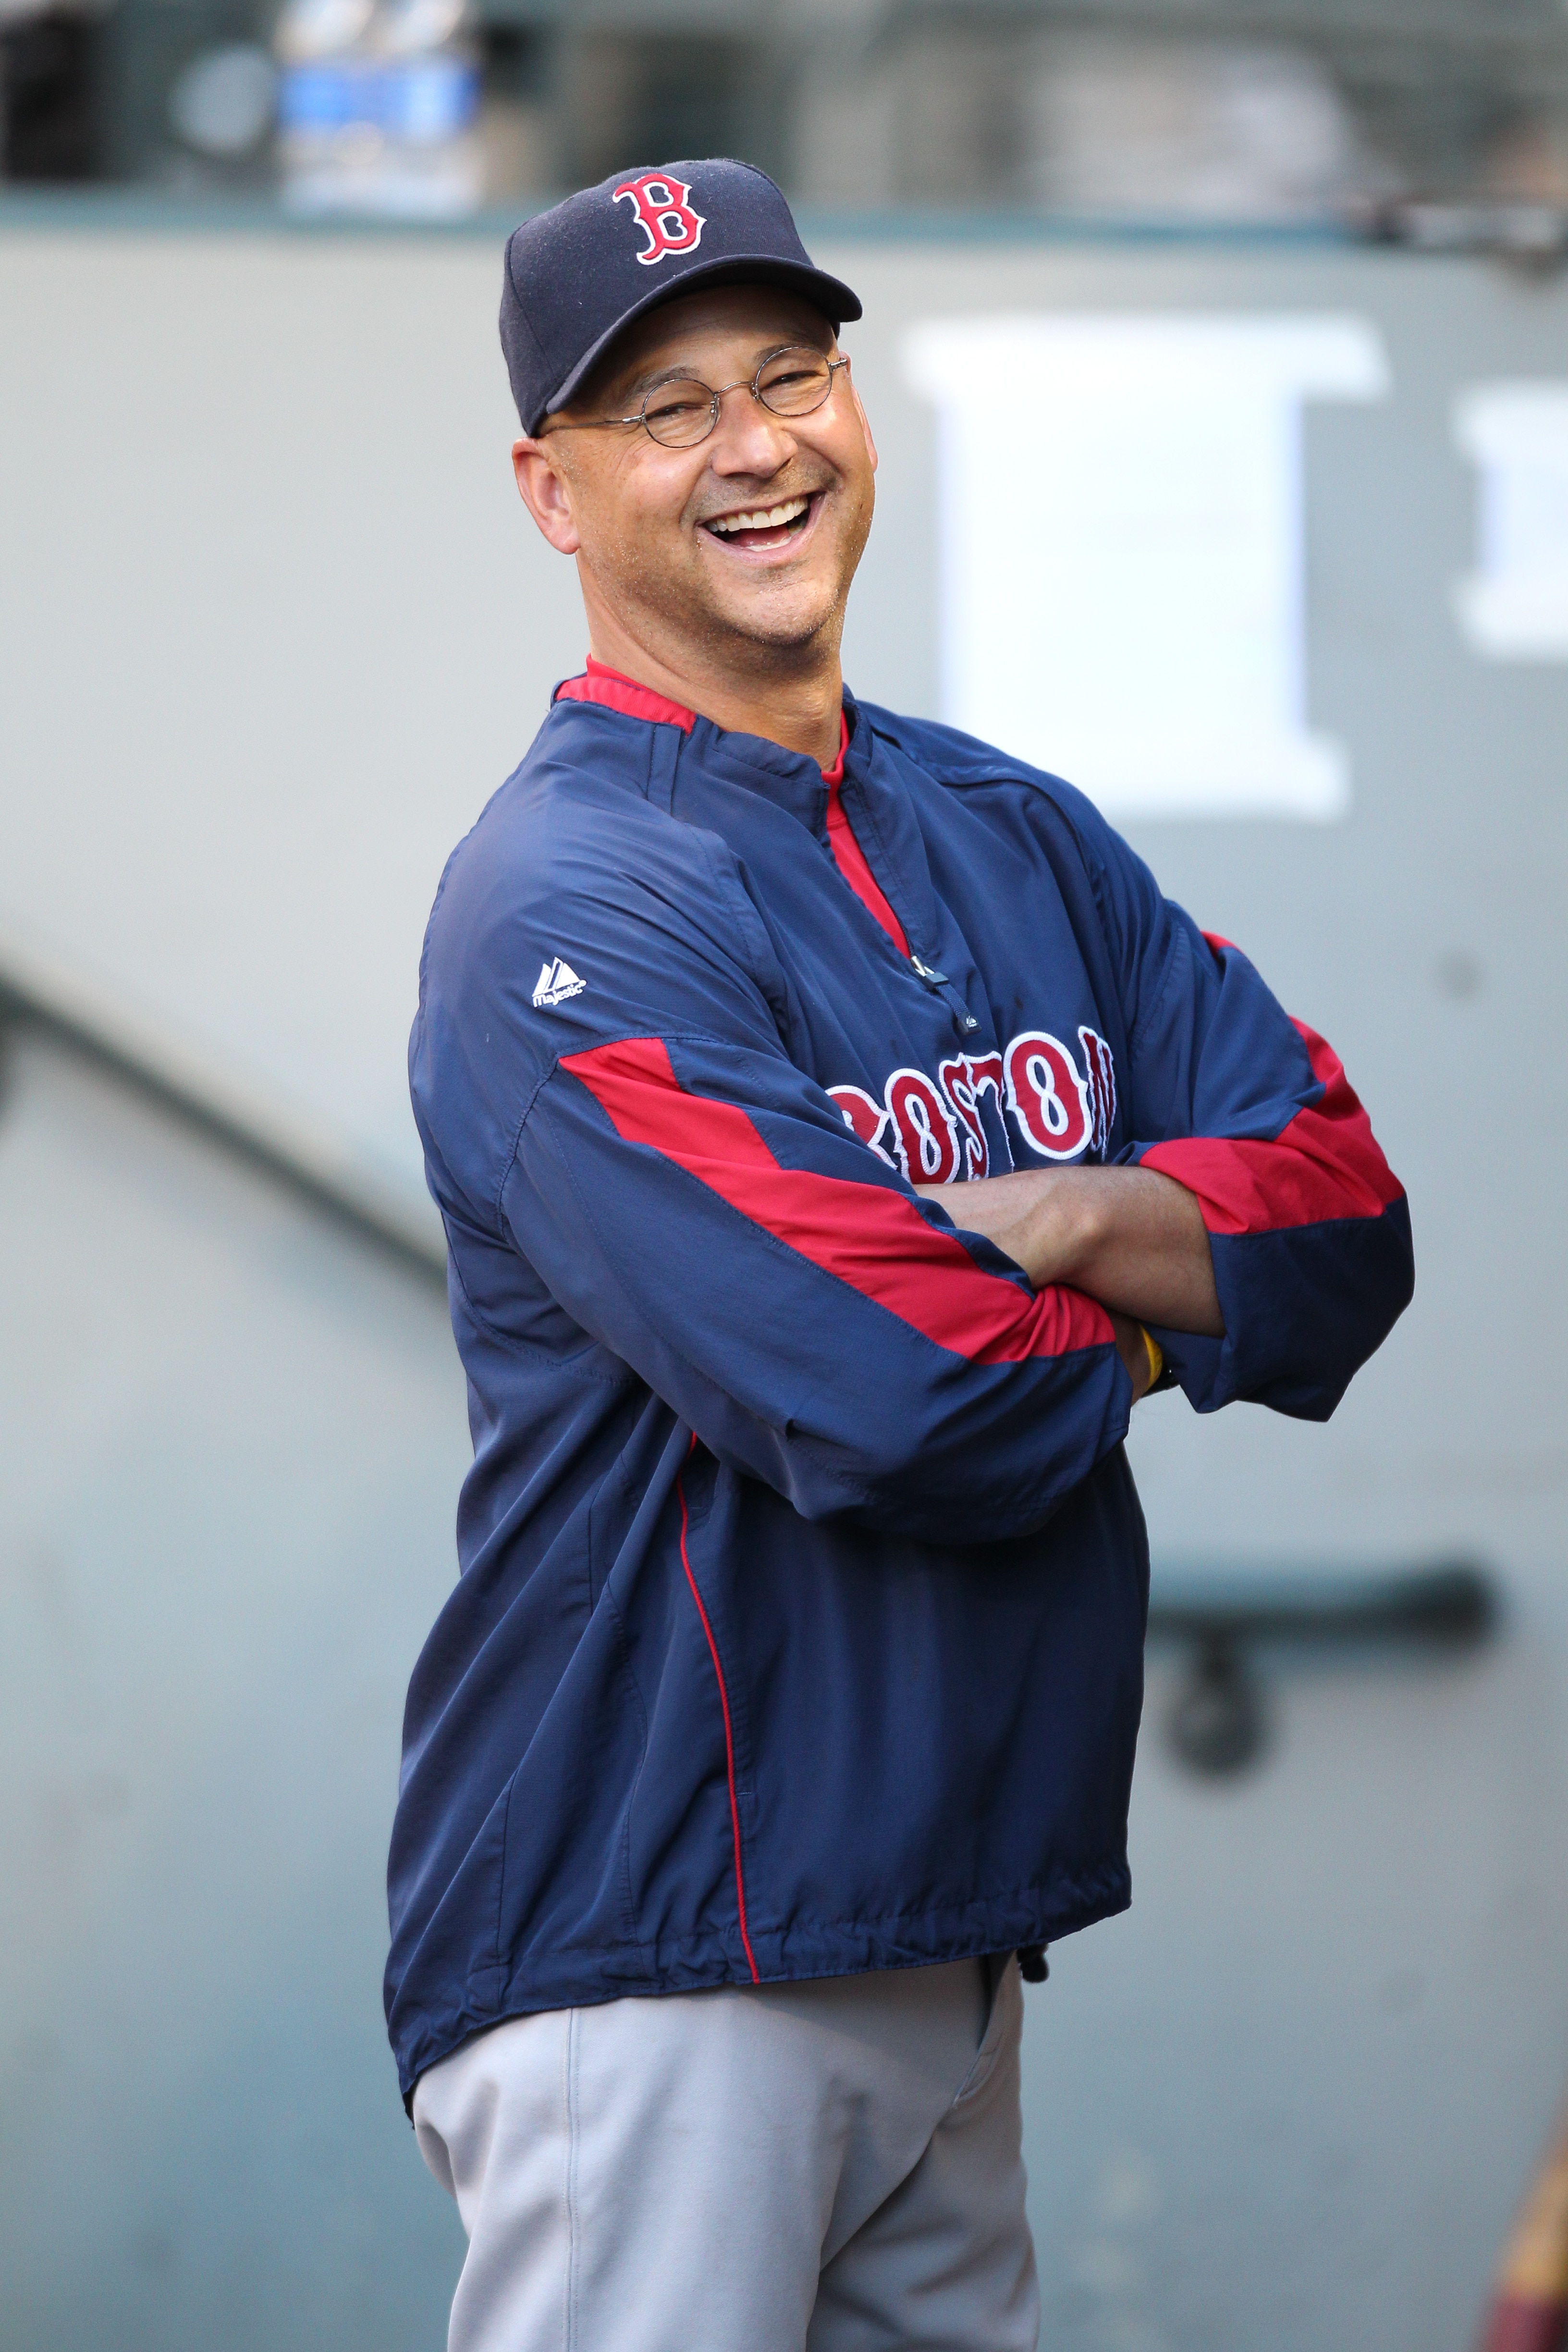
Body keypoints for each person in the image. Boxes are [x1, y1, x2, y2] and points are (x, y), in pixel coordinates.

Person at [387, 158, 1413, 2352]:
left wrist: (1051, 1224)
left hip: (951, 1935)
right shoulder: (566, 905)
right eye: (665, 408)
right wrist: (1152, 1315)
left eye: (793, 375)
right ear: (551, 492)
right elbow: (899, 1393)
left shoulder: (1008, 827)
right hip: (658, 1950)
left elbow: (1342, 1209)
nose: (757, 444)